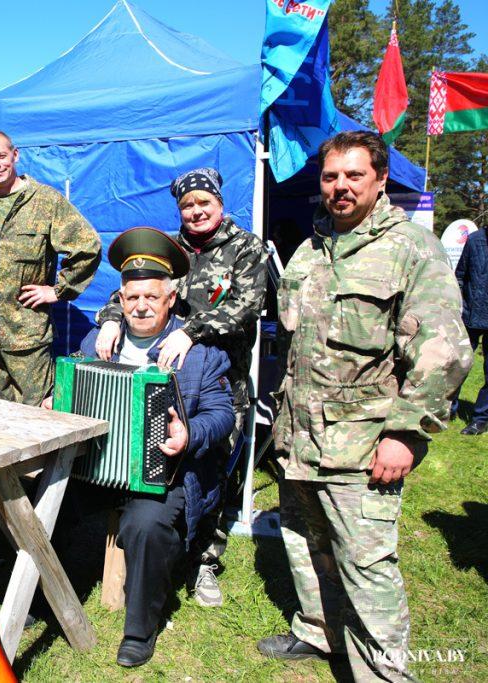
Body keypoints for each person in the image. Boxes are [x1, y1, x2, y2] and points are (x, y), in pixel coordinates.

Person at [257, 131, 472, 681]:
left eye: (354, 175)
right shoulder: (311, 249)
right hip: (301, 435)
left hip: (364, 441)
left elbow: (443, 349)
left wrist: (406, 431)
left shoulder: (410, 249)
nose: (341, 187)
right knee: (305, 540)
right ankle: (318, 630)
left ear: (379, 180)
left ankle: (383, 672)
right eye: (331, 177)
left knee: (367, 563)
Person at [93, 167, 267, 607]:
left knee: (217, 472)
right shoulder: (172, 252)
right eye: (187, 205)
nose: (196, 211)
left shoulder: (247, 248)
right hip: (165, 381)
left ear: (219, 203)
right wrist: (113, 319)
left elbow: (248, 307)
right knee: (163, 468)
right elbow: (130, 293)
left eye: (203, 202)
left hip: (220, 379)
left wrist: (192, 331)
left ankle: (205, 559)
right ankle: (156, 547)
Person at [75, 227, 234, 667]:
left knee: (146, 525)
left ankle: (140, 629)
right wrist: (59, 400)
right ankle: (40, 595)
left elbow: (223, 414)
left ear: (170, 300)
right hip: (99, 465)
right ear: (120, 301)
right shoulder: (98, 342)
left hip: (166, 474)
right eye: (132, 298)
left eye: (151, 297)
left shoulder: (199, 350)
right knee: (39, 498)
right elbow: (72, 389)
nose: (141, 306)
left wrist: (189, 434)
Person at [0, 130, 101, 407]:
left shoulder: (45, 202)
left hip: (27, 341)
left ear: (15, 155)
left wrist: (58, 290)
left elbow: (87, 246)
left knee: (38, 418)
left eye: (1, 156)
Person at [454, 226, 488, 434]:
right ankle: (447, 408)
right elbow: (460, 275)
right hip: (470, 316)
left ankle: (481, 418)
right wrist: (459, 307)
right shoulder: (475, 240)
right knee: (457, 365)